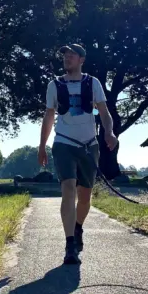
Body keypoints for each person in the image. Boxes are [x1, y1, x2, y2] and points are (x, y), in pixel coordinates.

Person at [38, 43, 117, 265]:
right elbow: (49, 116)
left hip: (89, 145)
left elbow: (104, 112)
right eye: (65, 55)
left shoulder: (93, 83)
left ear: (82, 59)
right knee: (68, 189)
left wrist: (109, 133)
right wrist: (42, 146)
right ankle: (69, 244)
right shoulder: (54, 85)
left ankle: (78, 227)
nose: (67, 58)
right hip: (64, 143)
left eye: (72, 55)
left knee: (85, 197)